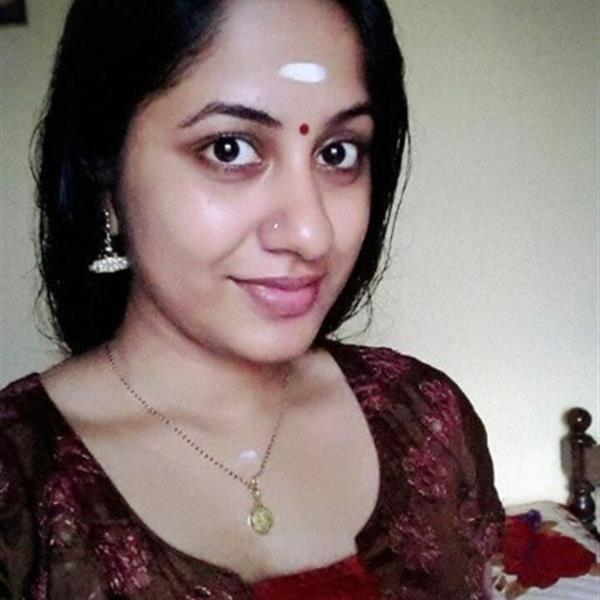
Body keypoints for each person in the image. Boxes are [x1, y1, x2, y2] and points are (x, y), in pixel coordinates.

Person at [0, 0, 504, 598]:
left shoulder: (425, 419)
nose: (312, 233)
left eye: (338, 152)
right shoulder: (20, 491)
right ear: (104, 168)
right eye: (230, 149)